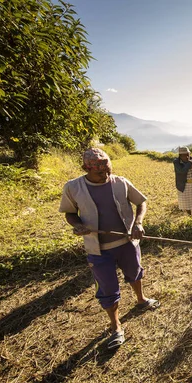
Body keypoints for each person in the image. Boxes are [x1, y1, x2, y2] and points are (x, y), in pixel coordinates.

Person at [59, 148, 160, 350]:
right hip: (98, 249)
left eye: (107, 169)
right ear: (86, 168)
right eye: (99, 172)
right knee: (107, 288)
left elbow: (141, 202)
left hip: (127, 243)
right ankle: (116, 327)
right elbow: (70, 213)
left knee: (135, 272)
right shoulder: (74, 187)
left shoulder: (120, 182)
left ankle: (141, 299)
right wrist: (78, 225)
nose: (105, 175)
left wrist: (138, 224)